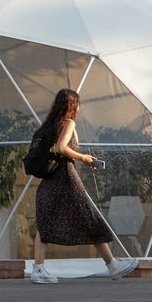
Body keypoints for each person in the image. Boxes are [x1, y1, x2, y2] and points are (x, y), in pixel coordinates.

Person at [29, 88, 136, 284]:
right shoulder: (68, 123)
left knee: (45, 221)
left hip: (49, 179)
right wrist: (84, 157)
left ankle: (38, 269)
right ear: (72, 105)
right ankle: (112, 265)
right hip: (66, 176)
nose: (80, 106)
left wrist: (83, 158)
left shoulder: (47, 126)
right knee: (89, 216)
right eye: (77, 103)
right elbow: (62, 148)